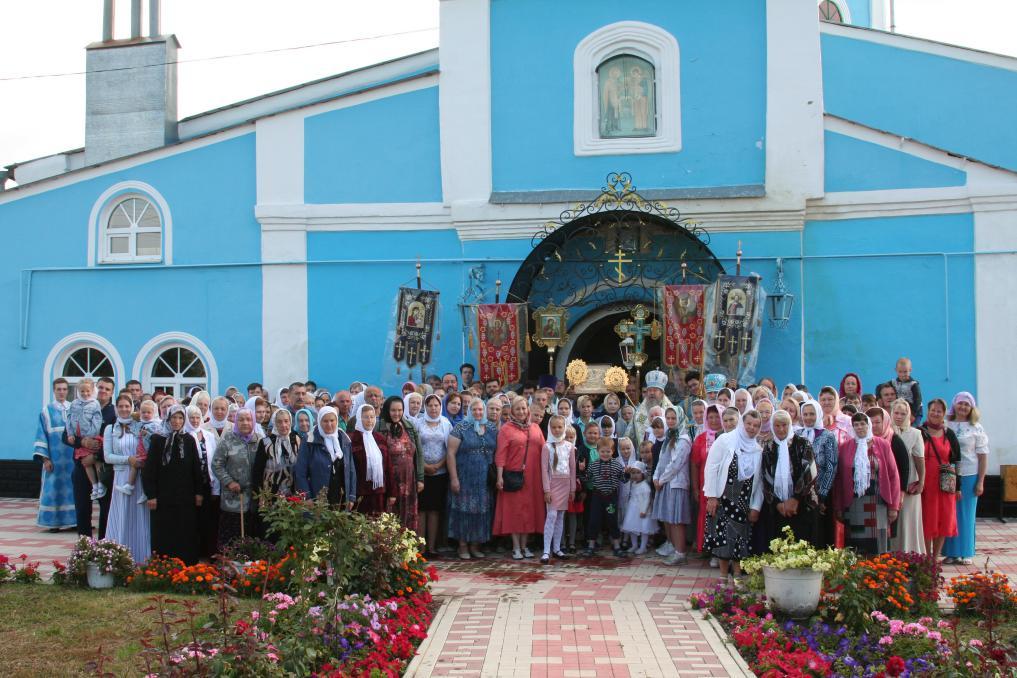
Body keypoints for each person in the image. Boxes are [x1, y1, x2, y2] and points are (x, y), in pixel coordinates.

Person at [703, 410, 764, 580]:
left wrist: (755, 507)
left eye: (756, 425)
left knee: (740, 538)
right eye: (749, 424)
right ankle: (723, 576)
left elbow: (758, 483)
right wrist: (712, 496)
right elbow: (712, 467)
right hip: (723, 499)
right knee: (723, 538)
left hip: (743, 502)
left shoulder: (758, 450)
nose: (751, 428)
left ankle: (737, 576)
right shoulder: (725, 440)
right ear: (742, 423)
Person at [143, 405, 203, 564]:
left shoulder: (189, 439)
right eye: (173, 418)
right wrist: (151, 495)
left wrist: (199, 492)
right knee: (164, 531)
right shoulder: (158, 439)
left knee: (185, 530)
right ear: (167, 419)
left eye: (180, 418)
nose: (177, 421)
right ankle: (163, 566)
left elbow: (196, 467)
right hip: (163, 496)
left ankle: (186, 565)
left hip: (185, 496)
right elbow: (150, 469)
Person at [834, 413, 901, 555]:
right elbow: (839, 479)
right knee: (856, 547)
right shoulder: (845, 447)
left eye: (863, 424)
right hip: (854, 505)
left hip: (878, 503)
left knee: (879, 546)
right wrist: (838, 506)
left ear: (868, 425)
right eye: (856, 425)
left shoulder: (882, 445)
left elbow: (893, 475)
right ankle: (857, 575)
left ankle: (878, 574)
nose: (859, 427)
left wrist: (894, 506)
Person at [493, 396, 546, 560]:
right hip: (513, 476)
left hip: (534, 477)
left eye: (524, 408)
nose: (522, 412)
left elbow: (545, 451)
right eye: (518, 409)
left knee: (529, 511)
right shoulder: (506, 429)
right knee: (515, 512)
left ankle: (525, 546)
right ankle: (516, 547)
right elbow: (500, 455)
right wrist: (499, 477)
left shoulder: (536, 427)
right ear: (512, 412)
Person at [102, 394, 151, 564]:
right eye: (121, 406)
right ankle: (116, 556)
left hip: (138, 476)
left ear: (132, 407)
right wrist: (128, 460)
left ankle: (140, 557)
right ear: (116, 408)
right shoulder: (110, 429)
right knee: (120, 514)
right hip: (122, 475)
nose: (124, 409)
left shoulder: (138, 426)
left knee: (138, 515)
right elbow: (107, 456)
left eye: (127, 406)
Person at [760, 410, 820, 547]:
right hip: (777, 507)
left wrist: (795, 499)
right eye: (777, 425)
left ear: (790, 424)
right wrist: (777, 503)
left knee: (803, 546)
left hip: (803, 504)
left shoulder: (803, 443)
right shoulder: (768, 447)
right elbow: (765, 477)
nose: (781, 429)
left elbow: (809, 472)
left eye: (784, 425)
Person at [943, 392, 989, 565]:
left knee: (966, 514)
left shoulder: (976, 427)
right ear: (954, 405)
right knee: (950, 513)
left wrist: (981, 481)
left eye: (966, 404)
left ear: (971, 408)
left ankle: (966, 552)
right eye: (960, 403)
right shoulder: (946, 425)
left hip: (969, 475)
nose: (963, 407)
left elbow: (983, 456)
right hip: (949, 473)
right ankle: (951, 552)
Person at [447, 397, 496, 558]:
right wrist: (454, 478)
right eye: (474, 409)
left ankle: (476, 545)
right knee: (464, 510)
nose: (477, 412)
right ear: (469, 411)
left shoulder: (491, 428)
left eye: (480, 409)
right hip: (465, 477)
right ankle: (462, 546)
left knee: (482, 510)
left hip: (484, 480)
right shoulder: (461, 427)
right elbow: (451, 454)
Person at [212, 408, 261, 549]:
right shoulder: (227, 440)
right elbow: (217, 464)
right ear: (235, 421)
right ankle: (228, 566)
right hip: (233, 499)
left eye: (249, 419)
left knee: (252, 538)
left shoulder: (259, 440)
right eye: (241, 419)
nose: (245, 423)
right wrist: (229, 481)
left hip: (254, 499)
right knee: (231, 539)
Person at [34, 377, 77, 531]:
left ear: (68, 390)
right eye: (58, 389)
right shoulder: (46, 411)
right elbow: (41, 435)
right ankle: (53, 523)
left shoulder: (74, 408)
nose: (61, 392)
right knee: (53, 489)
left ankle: (74, 522)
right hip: (55, 460)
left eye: (64, 389)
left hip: (72, 460)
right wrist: (45, 459)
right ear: (54, 390)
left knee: (74, 489)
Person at [293, 406, 356, 507]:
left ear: (337, 420)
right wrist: (307, 496)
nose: (329, 424)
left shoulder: (344, 439)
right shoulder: (309, 440)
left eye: (332, 420)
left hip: (341, 496)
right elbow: (301, 472)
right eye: (325, 421)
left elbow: (351, 470)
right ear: (319, 421)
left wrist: (351, 496)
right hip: (317, 496)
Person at [920, 398, 960, 559]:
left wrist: (958, 487)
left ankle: (935, 558)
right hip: (925, 483)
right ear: (928, 412)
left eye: (939, 411)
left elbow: (957, 461)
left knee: (942, 520)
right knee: (927, 520)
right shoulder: (920, 431)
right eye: (933, 410)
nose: (935, 413)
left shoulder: (949, 434)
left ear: (943, 414)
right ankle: (925, 556)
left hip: (944, 484)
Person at [652, 406, 692, 565]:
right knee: (670, 519)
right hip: (666, 482)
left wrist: (661, 480)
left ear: (680, 419)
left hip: (676, 484)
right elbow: (662, 460)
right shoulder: (669, 436)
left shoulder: (684, 439)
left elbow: (676, 464)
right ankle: (675, 549)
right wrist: (656, 477)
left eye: (673, 418)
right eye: (668, 418)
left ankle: (680, 552)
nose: (670, 421)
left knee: (677, 521)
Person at [378, 396, 424, 533]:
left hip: (409, 480)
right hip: (389, 481)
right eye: (393, 410)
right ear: (387, 410)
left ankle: (406, 548)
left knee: (407, 515)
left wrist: (420, 478)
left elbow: (419, 453)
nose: (397, 413)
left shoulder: (409, 427)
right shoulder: (379, 428)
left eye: (400, 410)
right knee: (390, 515)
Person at [796, 400, 839, 546]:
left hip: (820, 492)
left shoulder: (828, 436)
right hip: (799, 493)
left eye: (812, 414)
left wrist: (822, 493)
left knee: (819, 532)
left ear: (818, 414)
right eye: (805, 414)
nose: (808, 417)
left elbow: (831, 466)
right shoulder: (797, 434)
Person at [889, 399, 926, 554]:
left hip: (909, 481)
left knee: (909, 519)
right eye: (896, 413)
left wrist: (921, 482)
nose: (899, 416)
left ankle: (911, 555)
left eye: (903, 413)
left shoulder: (915, 433)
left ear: (909, 415)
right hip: (891, 482)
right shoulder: (886, 431)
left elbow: (920, 459)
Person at [418, 394, 452, 556]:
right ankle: (420, 547)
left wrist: (438, 465)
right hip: (421, 473)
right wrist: (424, 466)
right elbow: (414, 448)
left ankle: (431, 547)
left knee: (434, 510)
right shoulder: (418, 423)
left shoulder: (446, 423)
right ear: (425, 407)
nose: (433, 408)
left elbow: (450, 449)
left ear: (440, 407)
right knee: (421, 510)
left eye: (436, 405)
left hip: (440, 473)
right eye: (430, 405)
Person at [540, 414, 576, 564]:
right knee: (552, 516)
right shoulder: (547, 446)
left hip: (565, 484)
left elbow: (572, 468)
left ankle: (557, 548)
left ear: (564, 427)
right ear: (549, 428)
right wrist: (546, 490)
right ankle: (546, 550)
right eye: (554, 427)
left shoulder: (569, 446)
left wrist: (572, 489)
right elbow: (544, 469)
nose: (557, 430)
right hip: (553, 484)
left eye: (560, 427)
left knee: (561, 516)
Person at [584, 437, 627, 558]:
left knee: (612, 521)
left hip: (611, 496)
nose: (605, 454)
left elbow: (624, 480)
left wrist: (627, 473)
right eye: (602, 451)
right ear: (598, 451)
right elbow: (587, 478)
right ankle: (591, 546)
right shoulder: (593, 465)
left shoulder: (617, 465)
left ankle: (617, 546)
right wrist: (582, 470)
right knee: (594, 521)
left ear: (613, 451)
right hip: (597, 496)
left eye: (608, 451)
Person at [184, 405, 219, 556]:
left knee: (207, 521)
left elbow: (215, 460)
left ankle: (207, 553)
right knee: (192, 521)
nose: (195, 420)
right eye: (191, 417)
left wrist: (215, 487)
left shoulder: (208, 435)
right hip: (190, 486)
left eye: (198, 417)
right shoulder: (184, 435)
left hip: (207, 483)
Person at [65, 378, 106, 501]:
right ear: (78, 391)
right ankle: (94, 485)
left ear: (92, 390)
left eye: (87, 391)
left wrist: (90, 436)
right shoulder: (74, 403)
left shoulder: (95, 403)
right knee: (85, 463)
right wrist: (70, 434)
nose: (85, 394)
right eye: (82, 391)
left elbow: (97, 421)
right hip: (79, 437)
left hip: (91, 437)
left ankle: (100, 483)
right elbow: (69, 420)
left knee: (96, 461)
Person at [691, 404, 723, 555]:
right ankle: (707, 549)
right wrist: (696, 488)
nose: (714, 420)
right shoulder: (701, 439)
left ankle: (720, 551)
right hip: (706, 485)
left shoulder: (727, 437)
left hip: (724, 485)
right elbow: (695, 464)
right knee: (706, 515)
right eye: (710, 417)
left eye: (717, 416)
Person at [627, 370, 685, 451]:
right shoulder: (639, 415)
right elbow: (629, 437)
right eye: (649, 390)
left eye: (655, 390)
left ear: (662, 393)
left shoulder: (672, 412)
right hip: (643, 455)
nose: (651, 393)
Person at [116, 400, 160, 503]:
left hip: (148, 452)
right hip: (141, 451)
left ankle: (145, 492)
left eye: (149, 412)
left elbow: (156, 438)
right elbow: (133, 428)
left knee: (145, 472)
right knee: (136, 467)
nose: (146, 414)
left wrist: (147, 434)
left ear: (153, 413)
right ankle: (130, 486)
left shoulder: (155, 425)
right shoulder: (140, 423)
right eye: (143, 412)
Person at [621, 461, 655, 555]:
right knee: (632, 528)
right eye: (633, 473)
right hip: (633, 510)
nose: (635, 475)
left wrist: (644, 511)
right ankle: (634, 545)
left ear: (643, 474)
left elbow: (647, 499)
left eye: (638, 473)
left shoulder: (645, 486)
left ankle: (643, 547)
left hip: (642, 510)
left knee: (644, 529)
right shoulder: (633, 484)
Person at [892, 357, 923, 422]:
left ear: (910, 370)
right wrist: (878, 397)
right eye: (900, 372)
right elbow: (880, 387)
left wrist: (913, 414)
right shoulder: (893, 382)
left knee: (912, 429)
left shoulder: (913, 384)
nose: (903, 374)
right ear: (896, 370)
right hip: (902, 411)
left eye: (905, 372)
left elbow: (918, 400)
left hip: (915, 411)